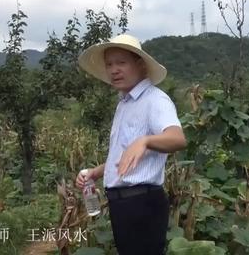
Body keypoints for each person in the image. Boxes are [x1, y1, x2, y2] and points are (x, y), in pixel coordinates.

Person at [76, 34, 187, 255]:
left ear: (141, 65)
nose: (114, 70)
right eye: (109, 64)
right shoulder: (124, 104)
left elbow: (177, 138)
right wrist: (96, 173)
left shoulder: (155, 100)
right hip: (123, 205)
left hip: (142, 203)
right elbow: (124, 156)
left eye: (121, 62)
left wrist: (145, 141)